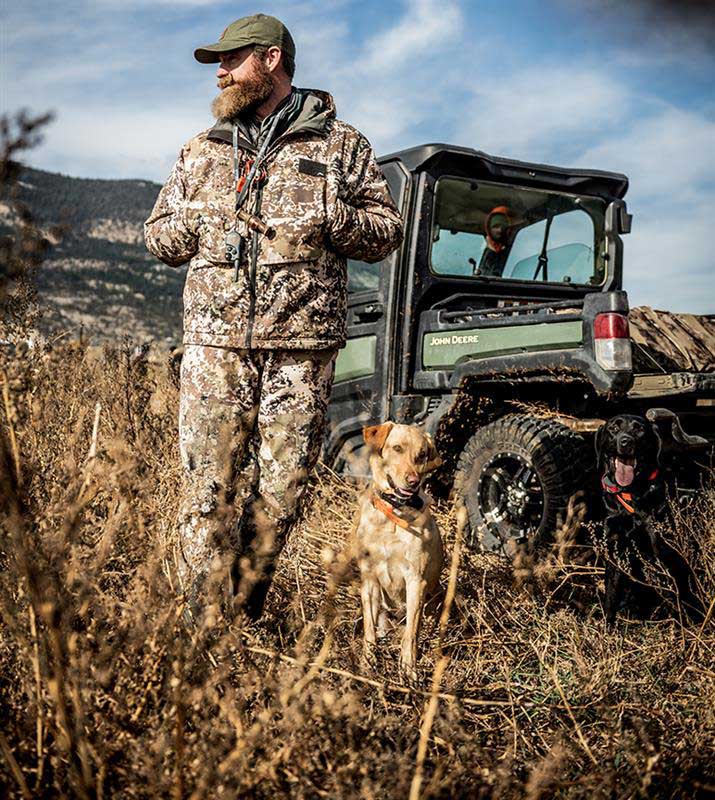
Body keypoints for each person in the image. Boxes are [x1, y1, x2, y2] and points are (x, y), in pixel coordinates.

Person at [144, 13, 403, 621]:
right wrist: (197, 225)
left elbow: (386, 229)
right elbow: (158, 234)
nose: (219, 75)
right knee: (208, 490)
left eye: (229, 62)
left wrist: (332, 220)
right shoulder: (200, 149)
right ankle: (202, 627)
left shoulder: (342, 145)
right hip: (216, 349)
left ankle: (244, 605)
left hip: (302, 349)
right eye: (217, 65)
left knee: (282, 492)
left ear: (269, 59)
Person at [475, 205, 513, 277]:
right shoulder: (480, 252)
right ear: (489, 229)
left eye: (503, 227)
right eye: (495, 227)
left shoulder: (513, 252)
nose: (500, 230)